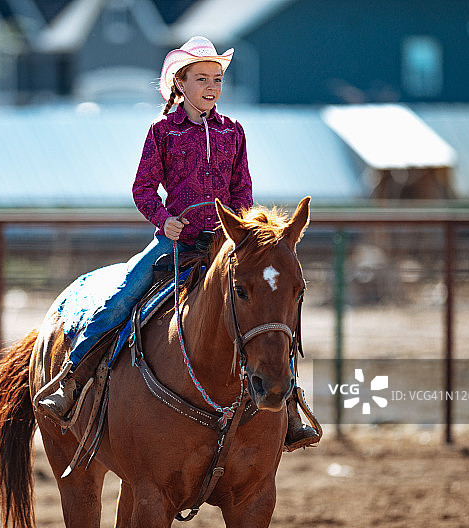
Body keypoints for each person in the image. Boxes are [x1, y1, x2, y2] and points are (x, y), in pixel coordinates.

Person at [38, 36, 319, 451]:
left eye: (217, 79)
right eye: (201, 78)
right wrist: (163, 220)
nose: (211, 86)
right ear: (180, 84)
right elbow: (143, 188)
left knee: (268, 309)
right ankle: (72, 378)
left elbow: (242, 190)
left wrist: (241, 232)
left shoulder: (233, 132)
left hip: (226, 245)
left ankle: (289, 404)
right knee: (122, 295)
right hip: (175, 242)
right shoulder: (163, 132)